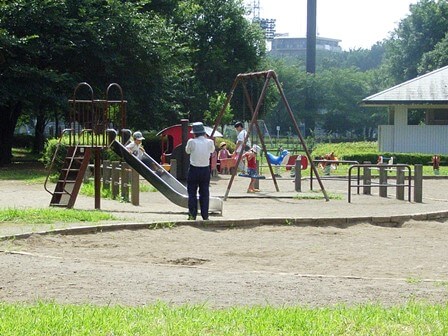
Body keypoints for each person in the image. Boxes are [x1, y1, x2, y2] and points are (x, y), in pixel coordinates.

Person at [185, 122, 216, 220]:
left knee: (192, 193)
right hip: (205, 169)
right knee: (205, 192)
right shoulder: (209, 142)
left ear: (194, 133)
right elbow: (212, 151)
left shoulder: (192, 141)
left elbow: (187, 151)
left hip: (194, 169)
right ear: (203, 132)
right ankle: (205, 215)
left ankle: (192, 215)